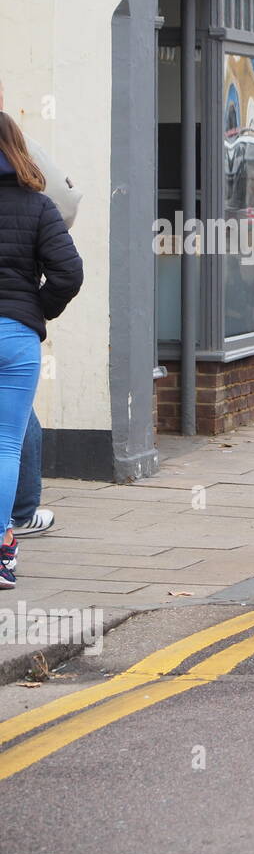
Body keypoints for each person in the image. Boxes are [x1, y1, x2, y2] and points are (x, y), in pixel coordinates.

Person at [0, 112, 83, 588]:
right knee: (6, 443)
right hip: (15, 336)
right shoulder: (38, 206)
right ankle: (2, 548)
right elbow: (69, 273)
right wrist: (35, 313)